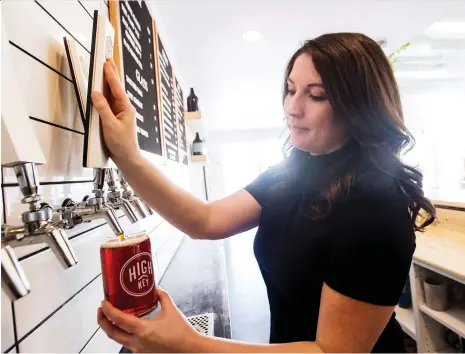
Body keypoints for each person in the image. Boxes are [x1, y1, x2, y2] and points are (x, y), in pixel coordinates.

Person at [92, 32, 436, 353]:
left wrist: (187, 344)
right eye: (290, 90)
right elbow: (205, 220)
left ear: (359, 108)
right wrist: (128, 156)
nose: (293, 107)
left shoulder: (375, 205)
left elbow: (330, 352)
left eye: (316, 95)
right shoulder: (293, 172)